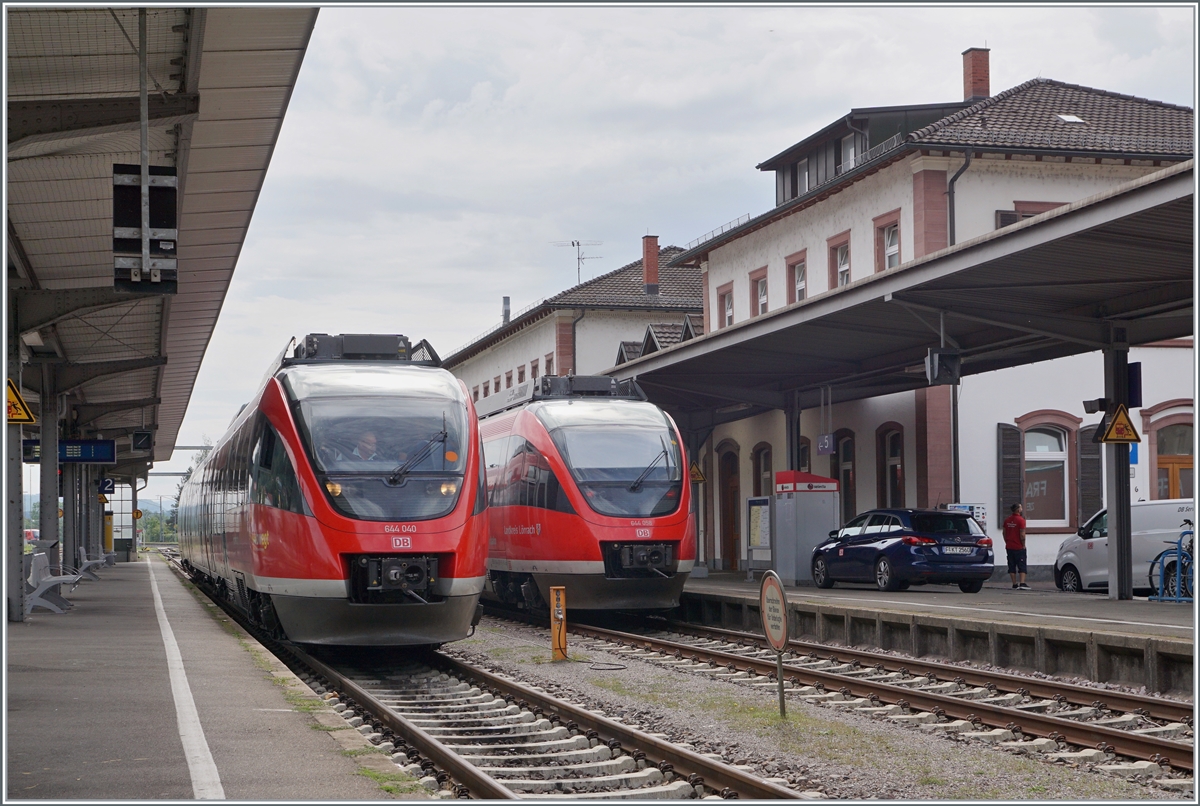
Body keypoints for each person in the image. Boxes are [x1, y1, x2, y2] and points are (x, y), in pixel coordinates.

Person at [1003, 502, 1029, 590]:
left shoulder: (1007, 520)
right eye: (1021, 507)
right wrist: (1023, 544)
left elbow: (1004, 533)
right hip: (1018, 547)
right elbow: (1022, 535)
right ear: (1018, 510)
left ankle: (1014, 584)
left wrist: (1007, 541)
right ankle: (1022, 583)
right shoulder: (1021, 520)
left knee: (1011, 565)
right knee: (1021, 564)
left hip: (1009, 546)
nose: (1022, 509)